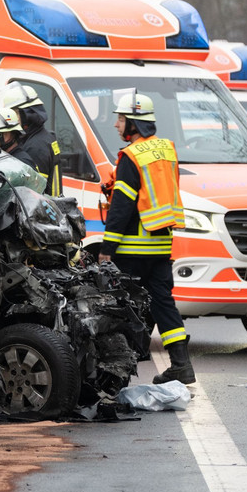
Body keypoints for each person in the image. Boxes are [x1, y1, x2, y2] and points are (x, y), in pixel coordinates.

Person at [97, 90, 195, 385]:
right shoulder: (166, 149)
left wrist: (107, 248)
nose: (116, 125)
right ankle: (181, 365)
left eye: (120, 119)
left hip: (132, 247)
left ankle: (118, 375)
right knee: (163, 304)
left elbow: (124, 206)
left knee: (123, 307)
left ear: (134, 124)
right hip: (161, 245)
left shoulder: (131, 157)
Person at [0, 82, 63, 196]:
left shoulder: (36, 146)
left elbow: (34, 192)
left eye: (15, 113)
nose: (12, 119)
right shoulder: (44, 137)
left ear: (27, 114)